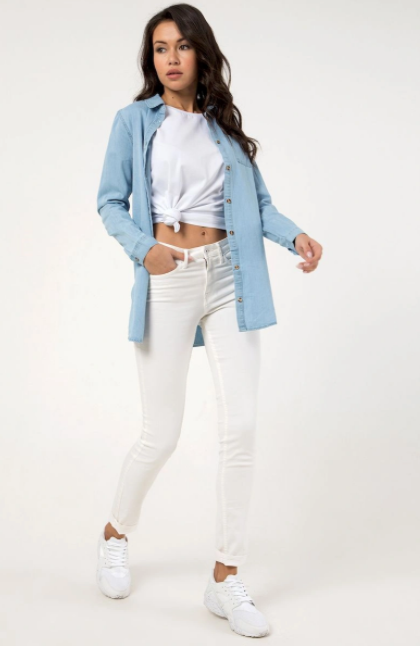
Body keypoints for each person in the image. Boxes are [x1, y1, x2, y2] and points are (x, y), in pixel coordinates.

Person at [95, 4, 323, 638]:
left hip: (231, 280)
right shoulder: (134, 122)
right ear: (152, 59)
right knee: (161, 434)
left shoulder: (224, 129)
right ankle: (115, 533)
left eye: (181, 46)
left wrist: (296, 235)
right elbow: (110, 202)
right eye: (160, 48)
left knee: (241, 428)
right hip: (167, 277)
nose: (171, 58)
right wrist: (144, 249)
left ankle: (225, 576)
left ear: (202, 53)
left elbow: (260, 206)